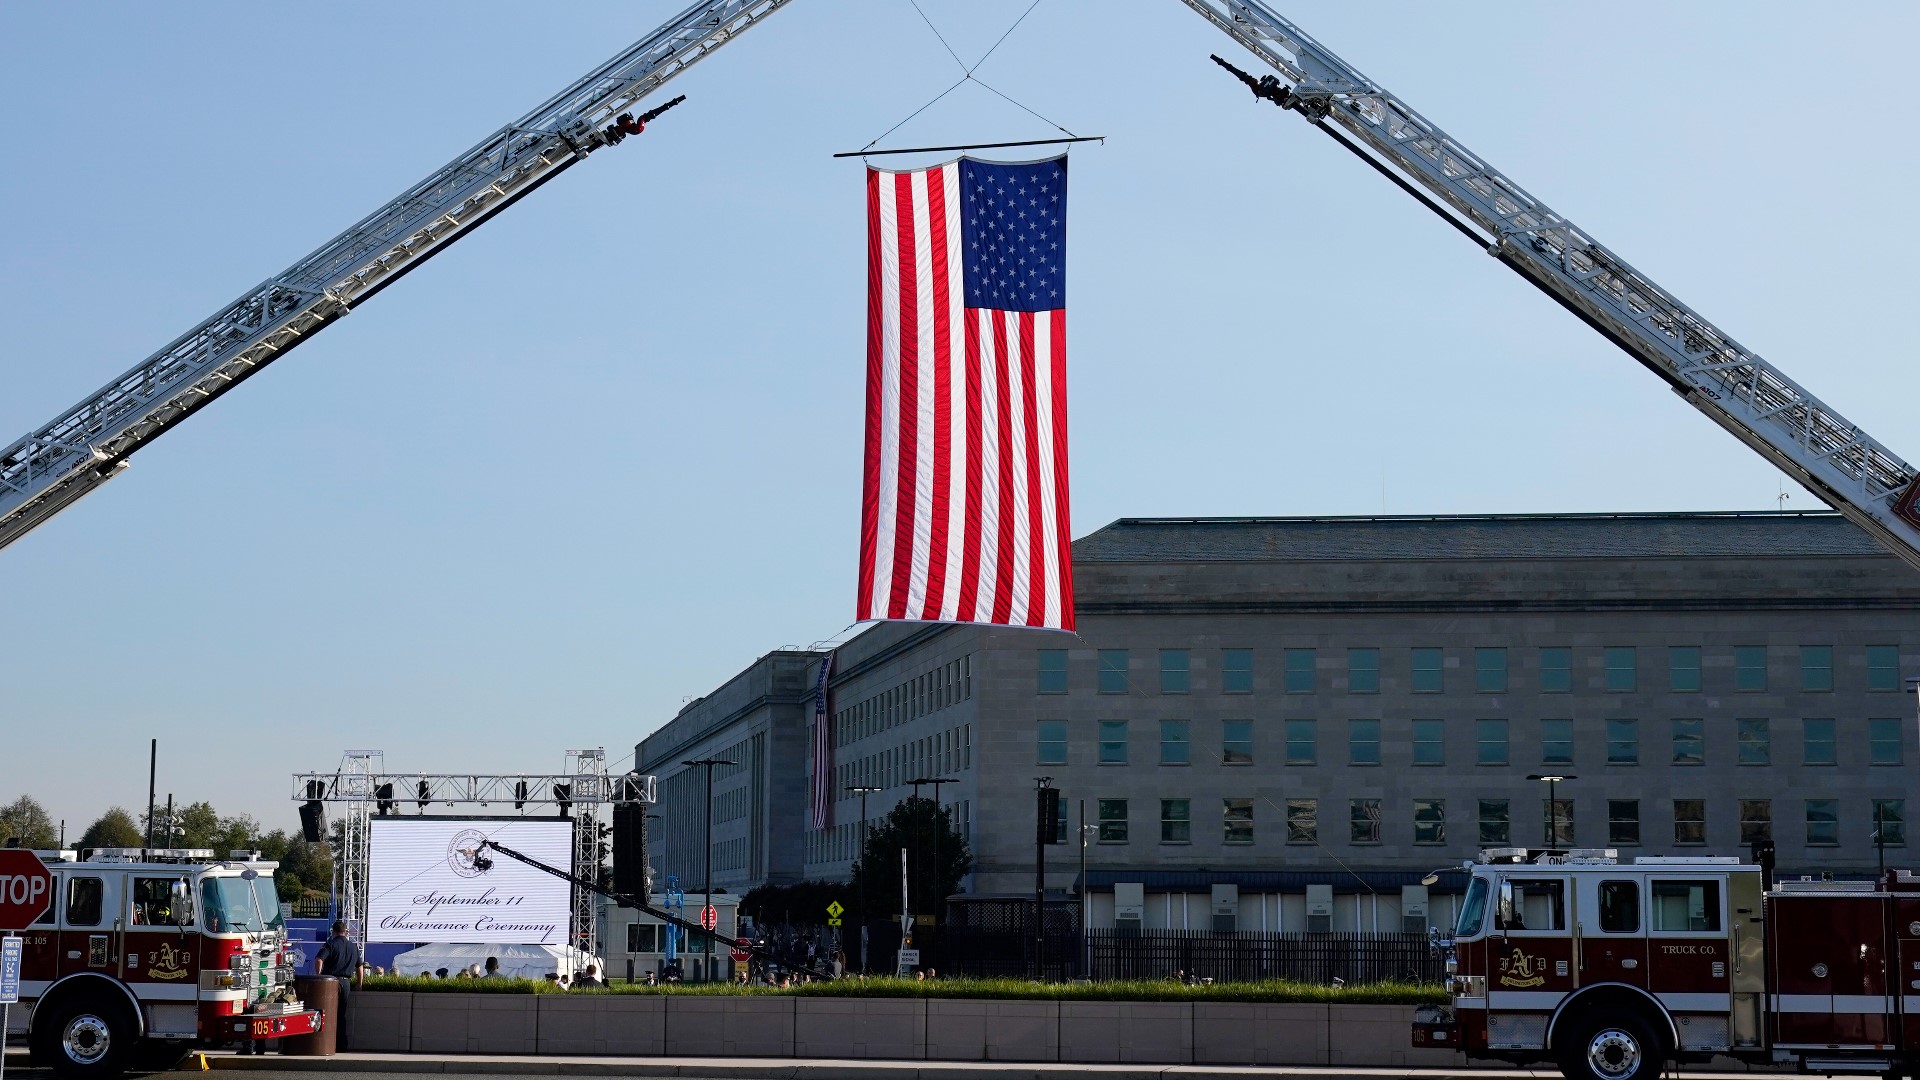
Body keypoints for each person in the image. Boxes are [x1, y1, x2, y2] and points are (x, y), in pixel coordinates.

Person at [313, 921, 359, 1047]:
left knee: (327, 1012)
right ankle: (341, 1044)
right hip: (346, 983)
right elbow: (359, 967)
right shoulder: (353, 947)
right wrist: (359, 984)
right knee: (341, 1014)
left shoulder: (330, 944)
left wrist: (319, 976)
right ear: (346, 932)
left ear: (333, 931)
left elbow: (319, 960)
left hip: (331, 982)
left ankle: (327, 1043)